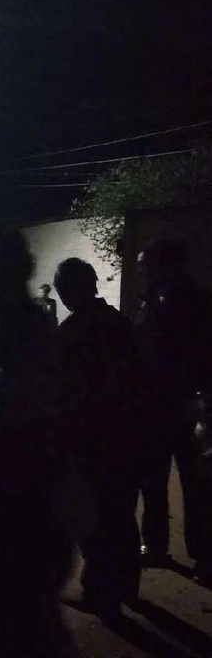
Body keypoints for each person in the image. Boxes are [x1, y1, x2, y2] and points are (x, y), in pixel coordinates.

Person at [0, 224, 76, 658]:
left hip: (14, 507)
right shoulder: (11, 329)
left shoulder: (24, 333)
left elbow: (27, 424)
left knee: (14, 622)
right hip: (14, 502)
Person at [53, 257, 143, 619]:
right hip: (127, 433)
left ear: (68, 290)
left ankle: (101, 594)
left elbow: (63, 391)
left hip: (89, 439)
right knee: (121, 513)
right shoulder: (120, 323)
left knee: (93, 518)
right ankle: (127, 586)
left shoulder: (72, 332)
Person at [135, 240, 212, 584]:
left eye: (145, 265)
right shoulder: (151, 302)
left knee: (196, 486)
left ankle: (205, 556)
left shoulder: (196, 304)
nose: (141, 271)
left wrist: (201, 402)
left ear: (165, 266)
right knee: (153, 481)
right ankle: (155, 545)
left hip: (185, 407)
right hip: (155, 407)